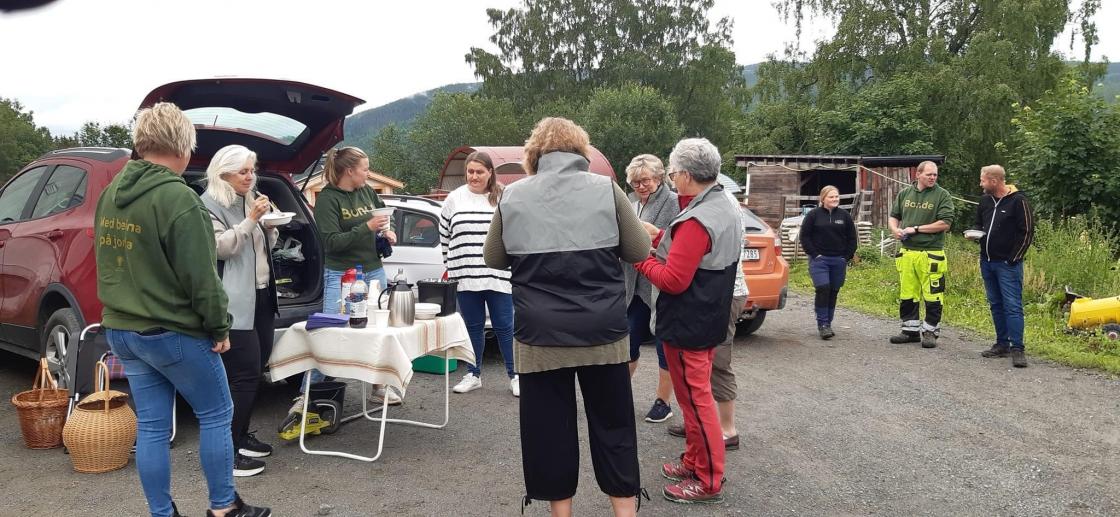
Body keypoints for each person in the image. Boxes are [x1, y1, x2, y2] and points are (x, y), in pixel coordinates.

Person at [94, 102, 269, 517]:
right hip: (172, 331)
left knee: (154, 427)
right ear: (184, 146)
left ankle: (162, 512)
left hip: (122, 329)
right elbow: (202, 277)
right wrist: (220, 327)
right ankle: (224, 507)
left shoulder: (111, 193)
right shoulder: (180, 199)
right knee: (216, 414)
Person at [484, 117, 650, 517]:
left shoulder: (513, 195)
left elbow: (493, 257)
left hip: (539, 337)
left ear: (534, 155)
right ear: (582, 151)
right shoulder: (606, 190)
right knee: (614, 426)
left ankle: (562, 515)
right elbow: (640, 248)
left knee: (550, 431)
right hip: (603, 334)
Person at [635, 137, 743, 504]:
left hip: (688, 320)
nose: (671, 178)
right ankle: (695, 460)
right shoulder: (723, 204)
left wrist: (638, 257)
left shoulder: (697, 218)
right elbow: (698, 251)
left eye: (672, 172)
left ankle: (709, 479)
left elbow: (672, 279)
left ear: (684, 174)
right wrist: (664, 238)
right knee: (692, 398)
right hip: (709, 314)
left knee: (697, 402)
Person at [281, 147, 400, 433]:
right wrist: (367, 227)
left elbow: (382, 216)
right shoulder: (329, 200)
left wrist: (386, 229)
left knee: (377, 329)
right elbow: (332, 242)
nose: (368, 173)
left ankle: (378, 386)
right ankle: (306, 393)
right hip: (341, 274)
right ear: (349, 171)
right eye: (365, 168)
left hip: (373, 270)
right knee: (330, 335)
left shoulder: (367, 192)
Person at [200, 145, 278, 477]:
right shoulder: (208, 206)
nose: (250, 176)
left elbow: (262, 245)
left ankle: (242, 435)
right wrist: (251, 220)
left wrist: (269, 226)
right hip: (232, 301)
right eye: (243, 171)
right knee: (241, 375)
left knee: (255, 369)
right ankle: (228, 451)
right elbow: (223, 248)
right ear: (224, 173)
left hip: (260, 295)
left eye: (252, 170)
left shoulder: (249, 199)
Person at [666, 188, 749, 451]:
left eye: (675, 173)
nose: (675, 181)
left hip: (724, 294)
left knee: (718, 362)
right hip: (715, 294)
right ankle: (700, 423)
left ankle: (727, 429)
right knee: (700, 368)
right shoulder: (708, 203)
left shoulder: (719, 206)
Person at [440, 151, 517, 396]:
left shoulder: (502, 196)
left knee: (505, 326)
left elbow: (514, 233)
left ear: (490, 173)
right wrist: (452, 266)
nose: (474, 176)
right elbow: (445, 236)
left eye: (479, 172)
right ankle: (473, 373)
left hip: (498, 274)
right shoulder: (454, 198)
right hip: (464, 275)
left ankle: (515, 375)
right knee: (472, 326)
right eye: (470, 171)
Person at [621, 154, 679, 423]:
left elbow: (677, 243)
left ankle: (663, 402)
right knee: (628, 341)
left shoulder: (674, 202)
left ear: (658, 178)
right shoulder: (632, 204)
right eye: (635, 182)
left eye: (645, 180)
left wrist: (655, 235)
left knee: (663, 345)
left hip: (661, 284)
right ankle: (618, 394)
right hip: (633, 284)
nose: (640, 186)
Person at [969, 165, 1034, 368]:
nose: (980, 184)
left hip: (1007, 264)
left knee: (1012, 305)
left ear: (994, 181)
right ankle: (1002, 343)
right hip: (987, 261)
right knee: (996, 303)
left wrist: (1014, 258)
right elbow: (979, 223)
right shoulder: (985, 201)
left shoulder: (1018, 201)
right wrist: (975, 234)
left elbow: (1027, 231)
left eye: (983, 180)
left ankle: (1018, 348)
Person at [888, 160, 955, 348]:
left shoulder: (942, 195)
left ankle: (931, 332)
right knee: (907, 293)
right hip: (908, 253)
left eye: (935, 174)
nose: (933, 177)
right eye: (929, 174)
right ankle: (909, 331)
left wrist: (916, 229)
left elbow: (945, 224)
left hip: (931, 253)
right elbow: (894, 216)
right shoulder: (905, 194)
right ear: (917, 175)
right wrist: (895, 229)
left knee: (933, 295)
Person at [798, 185, 858, 339]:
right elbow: (805, 236)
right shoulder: (813, 215)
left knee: (833, 291)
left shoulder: (844, 216)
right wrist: (814, 254)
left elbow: (852, 238)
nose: (835, 199)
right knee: (823, 288)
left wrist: (846, 257)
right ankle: (822, 323)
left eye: (836, 197)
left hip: (838, 260)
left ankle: (828, 323)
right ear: (823, 198)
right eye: (831, 197)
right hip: (820, 260)